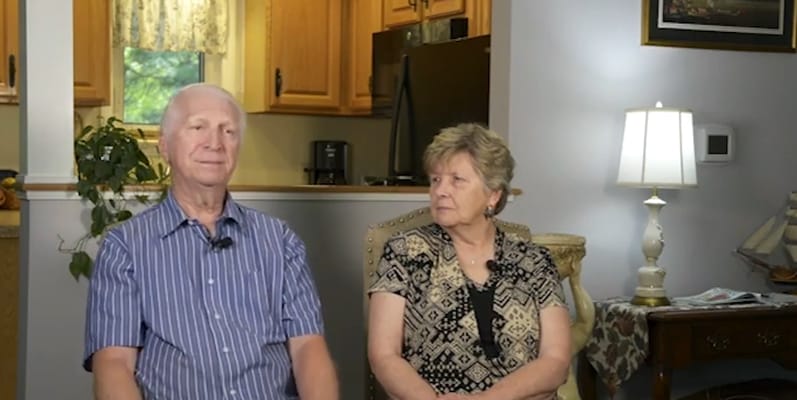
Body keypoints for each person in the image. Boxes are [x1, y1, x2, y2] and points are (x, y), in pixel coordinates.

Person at [83, 83, 338, 400]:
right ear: (164, 146)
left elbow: (307, 347)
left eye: (228, 131)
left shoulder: (281, 240)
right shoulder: (125, 247)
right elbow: (114, 363)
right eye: (198, 127)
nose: (215, 143)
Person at [367, 123, 571, 400]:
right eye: (435, 179)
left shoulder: (533, 260)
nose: (440, 191)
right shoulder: (404, 252)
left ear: (493, 194)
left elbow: (556, 361)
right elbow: (383, 355)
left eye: (457, 180)